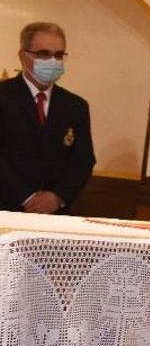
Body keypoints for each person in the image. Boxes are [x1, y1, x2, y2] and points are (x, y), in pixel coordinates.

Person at [0, 22, 95, 214]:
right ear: (23, 56)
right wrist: (26, 197)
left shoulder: (75, 106)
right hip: (6, 208)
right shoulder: (3, 96)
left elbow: (83, 159)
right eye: (44, 54)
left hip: (54, 214)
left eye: (59, 55)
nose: (53, 61)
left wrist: (57, 196)